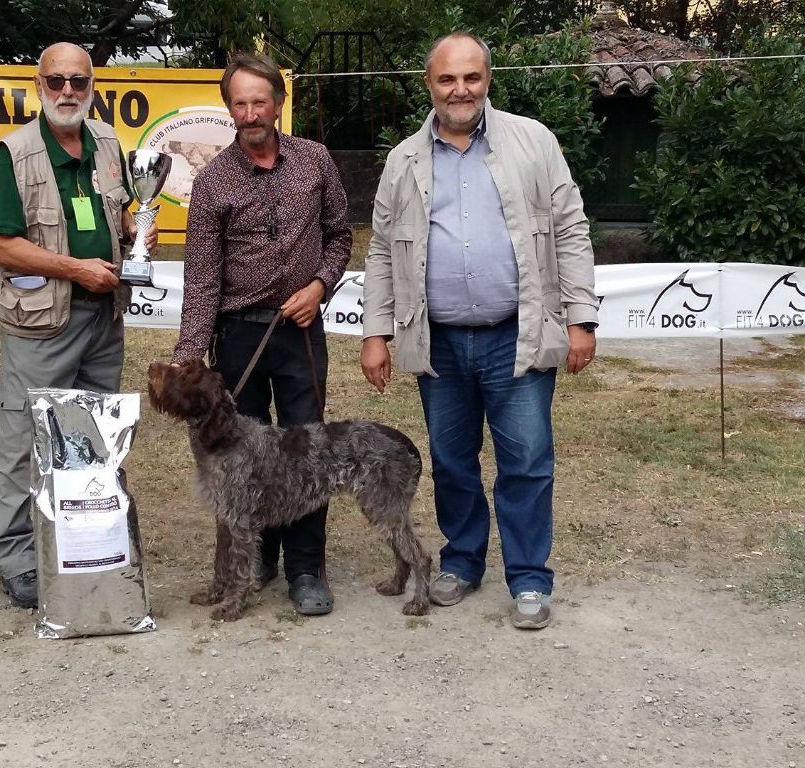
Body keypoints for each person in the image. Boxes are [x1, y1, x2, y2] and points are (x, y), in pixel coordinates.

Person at [360, 31, 598, 630]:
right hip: (437, 339)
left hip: (515, 335)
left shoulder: (533, 141)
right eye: (447, 79)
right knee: (452, 461)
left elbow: (570, 228)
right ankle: (461, 562)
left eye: (471, 77)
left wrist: (580, 316)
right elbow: (384, 251)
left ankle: (529, 579)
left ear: (487, 79)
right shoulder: (403, 160)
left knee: (527, 460)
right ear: (429, 85)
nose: (460, 89)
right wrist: (375, 332)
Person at [172, 52, 352, 616]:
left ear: (278, 103)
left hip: (300, 330)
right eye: (239, 102)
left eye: (260, 100)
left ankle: (304, 570)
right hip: (238, 337)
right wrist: (188, 356)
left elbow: (340, 236)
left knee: (307, 450)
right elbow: (201, 278)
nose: (250, 112)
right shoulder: (212, 181)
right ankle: (249, 567)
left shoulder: (316, 160)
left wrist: (319, 286)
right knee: (237, 462)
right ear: (230, 108)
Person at [0, 42, 156, 609]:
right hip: (41, 322)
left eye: (78, 82)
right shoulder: (15, 152)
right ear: (39, 85)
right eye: (56, 81)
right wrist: (74, 268)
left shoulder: (107, 142)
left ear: (92, 87)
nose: (67, 92)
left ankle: (87, 543)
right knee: (25, 439)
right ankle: (16, 557)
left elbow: (122, 212)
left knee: (95, 437)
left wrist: (136, 230)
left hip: (103, 320)